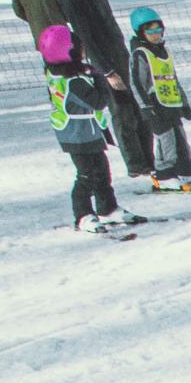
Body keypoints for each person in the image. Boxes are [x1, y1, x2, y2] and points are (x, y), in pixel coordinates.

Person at [62, 0, 151, 179]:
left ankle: (150, 159)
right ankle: (135, 163)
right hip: (105, 61)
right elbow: (86, 37)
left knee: (138, 108)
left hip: (120, 53)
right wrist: (107, 71)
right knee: (122, 113)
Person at [39, 23, 128, 234]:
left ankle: (108, 209)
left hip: (88, 131)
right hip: (78, 134)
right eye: (80, 47)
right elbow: (98, 102)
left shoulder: (61, 74)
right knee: (87, 174)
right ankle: (83, 215)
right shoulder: (73, 80)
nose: (84, 50)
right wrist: (99, 77)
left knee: (102, 171)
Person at [126, 7, 191, 189]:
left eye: (158, 30)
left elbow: (173, 79)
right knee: (165, 139)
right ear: (141, 33)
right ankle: (164, 174)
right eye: (150, 31)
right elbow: (136, 83)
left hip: (171, 103)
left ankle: (187, 170)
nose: (155, 35)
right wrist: (144, 106)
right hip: (154, 105)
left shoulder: (164, 52)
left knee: (180, 137)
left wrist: (185, 104)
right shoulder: (140, 54)